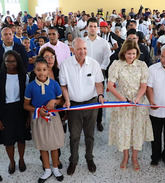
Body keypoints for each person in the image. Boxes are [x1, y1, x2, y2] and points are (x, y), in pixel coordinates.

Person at [59, 38, 105, 175]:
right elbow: (63, 86)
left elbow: (98, 83)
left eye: (84, 48)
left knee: (90, 135)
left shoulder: (94, 64)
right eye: (79, 49)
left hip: (91, 104)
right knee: (74, 136)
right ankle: (73, 160)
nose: (82, 51)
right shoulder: (65, 65)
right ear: (72, 50)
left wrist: (100, 95)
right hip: (74, 106)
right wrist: (67, 100)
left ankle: (89, 158)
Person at [107, 40, 153, 171]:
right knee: (124, 130)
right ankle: (125, 156)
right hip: (123, 104)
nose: (131, 56)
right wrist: (122, 99)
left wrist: (138, 98)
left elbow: (144, 85)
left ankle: (135, 158)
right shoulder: (117, 65)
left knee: (137, 131)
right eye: (129, 54)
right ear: (124, 53)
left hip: (138, 104)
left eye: (133, 54)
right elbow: (110, 85)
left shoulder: (142, 65)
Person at [24, 58, 65, 182]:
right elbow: (25, 105)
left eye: (44, 69)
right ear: (34, 71)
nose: (41, 73)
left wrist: (55, 101)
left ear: (48, 70)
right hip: (38, 119)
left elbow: (61, 100)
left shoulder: (54, 84)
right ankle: (47, 169)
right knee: (42, 145)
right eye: (38, 70)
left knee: (54, 145)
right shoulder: (30, 87)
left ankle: (55, 168)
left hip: (53, 118)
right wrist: (37, 110)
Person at [0, 50, 28, 175]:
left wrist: (28, 117)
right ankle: (12, 161)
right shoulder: (0, 76)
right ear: (4, 62)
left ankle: (21, 159)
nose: (10, 63)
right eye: (7, 61)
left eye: (13, 61)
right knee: (8, 140)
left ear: (17, 61)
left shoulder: (23, 76)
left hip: (21, 110)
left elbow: (28, 97)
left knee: (21, 139)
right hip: (5, 112)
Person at [84, 17, 111, 132]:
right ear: (87, 27)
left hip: (99, 74)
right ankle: (86, 121)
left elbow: (107, 57)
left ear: (98, 28)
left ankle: (98, 121)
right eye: (91, 26)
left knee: (99, 97)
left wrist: (101, 69)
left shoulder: (104, 43)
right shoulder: (82, 41)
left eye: (95, 26)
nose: (93, 28)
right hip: (84, 74)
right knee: (86, 97)